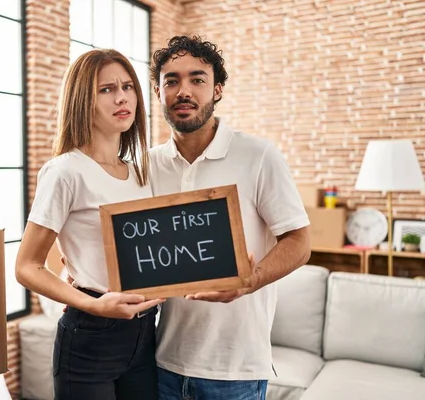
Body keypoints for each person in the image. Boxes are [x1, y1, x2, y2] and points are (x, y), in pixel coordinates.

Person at [149, 35, 311, 400]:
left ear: (218, 89)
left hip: (235, 371)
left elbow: (300, 243)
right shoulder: (148, 164)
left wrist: (248, 281)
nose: (183, 90)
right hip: (160, 363)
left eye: (197, 79)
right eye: (171, 81)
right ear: (158, 93)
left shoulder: (258, 155)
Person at [15, 49, 164, 400]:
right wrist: (92, 302)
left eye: (128, 86)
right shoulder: (65, 171)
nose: (122, 97)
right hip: (91, 336)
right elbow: (26, 266)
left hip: (145, 332)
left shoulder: (141, 172)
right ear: (83, 99)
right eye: (107, 89)